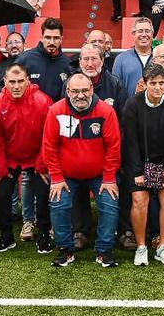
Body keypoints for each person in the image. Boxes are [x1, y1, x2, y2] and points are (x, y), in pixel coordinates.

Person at [43, 73, 123, 267]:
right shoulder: (56, 111)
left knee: (110, 205)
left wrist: (110, 177)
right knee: (58, 203)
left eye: (85, 90)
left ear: (92, 90)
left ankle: (104, 251)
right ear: (67, 91)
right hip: (66, 176)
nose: (80, 95)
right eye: (75, 91)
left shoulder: (106, 111)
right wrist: (57, 177)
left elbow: (114, 147)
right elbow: (49, 147)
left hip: (100, 175)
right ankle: (65, 250)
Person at [121, 65, 164, 266]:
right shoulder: (132, 105)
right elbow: (130, 141)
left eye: (161, 83)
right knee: (139, 200)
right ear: (144, 83)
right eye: (153, 83)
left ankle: (162, 246)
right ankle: (141, 247)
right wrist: (138, 171)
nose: (157, 87)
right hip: (139, 162)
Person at [0, 64, 55, 255]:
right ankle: (6, 236)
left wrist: (42, 165)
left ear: (28, 81)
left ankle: (43, 234)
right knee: (1, 196)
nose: (16, 86)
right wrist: (1, 170)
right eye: (12, 82)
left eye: (20, 81)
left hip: (36, 157)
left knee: (43, 193)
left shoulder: (43, 101)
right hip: (10, 158)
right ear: (5, 82)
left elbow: (48, 136)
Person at [19, 17, 74, 101]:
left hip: (57, 113)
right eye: (48, 37)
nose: (51, 42)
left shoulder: (67, 64)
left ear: (61, 39)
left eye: (56, 38)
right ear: (42, 38)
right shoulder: (25, 59)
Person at [112, 17, 155, 96]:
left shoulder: (159, 57)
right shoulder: (121, 59)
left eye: (147, 31)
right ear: (133, 33)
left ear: (152, 34)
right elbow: (115, 88)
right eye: (140, 31)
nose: (144, 34)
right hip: (129, 107)